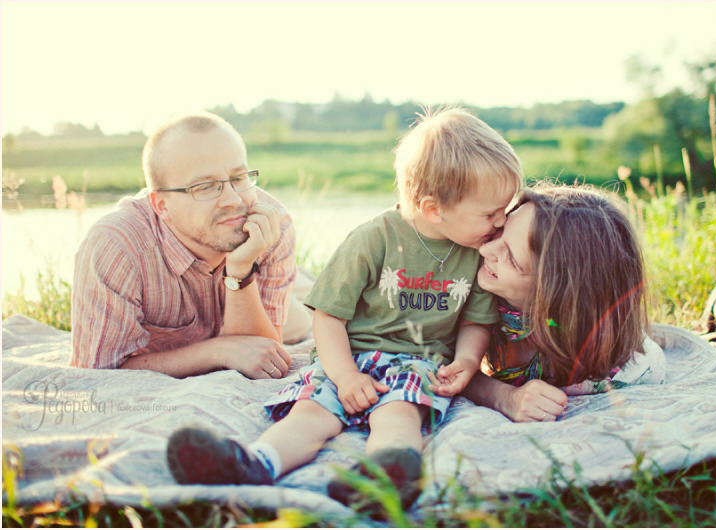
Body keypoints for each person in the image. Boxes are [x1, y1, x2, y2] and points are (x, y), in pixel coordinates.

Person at [165, 107, 523, 510]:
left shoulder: (476, 253)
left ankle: (380, 481)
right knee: (311, 414)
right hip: (346, 358)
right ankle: (251, 462)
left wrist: (467, 359)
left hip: (417, 362)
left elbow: (476, 321)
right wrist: (347, 376)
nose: (499, 224)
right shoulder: (374, 240)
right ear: (434, 209)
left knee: (400, 414)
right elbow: (329, 315)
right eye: (490, 214)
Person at [70, 112, 312, 378]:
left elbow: (261, 353)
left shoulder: (271, 224)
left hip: (258, 299)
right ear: (162, 206)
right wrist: (217, 351)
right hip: (205, 318)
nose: (233, 200)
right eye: (206, 186)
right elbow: (99, 371)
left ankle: (303, 283)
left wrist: (241, 269)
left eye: (239, 177)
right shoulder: (116, 247)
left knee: (309, 318)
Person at [434, 183, 666, 422]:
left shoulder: (634, 368)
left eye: (512, 259)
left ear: (556, 293)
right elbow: (432, 361)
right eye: (500, 231)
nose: (485, 249)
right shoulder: (461, 289)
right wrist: (504, 396)